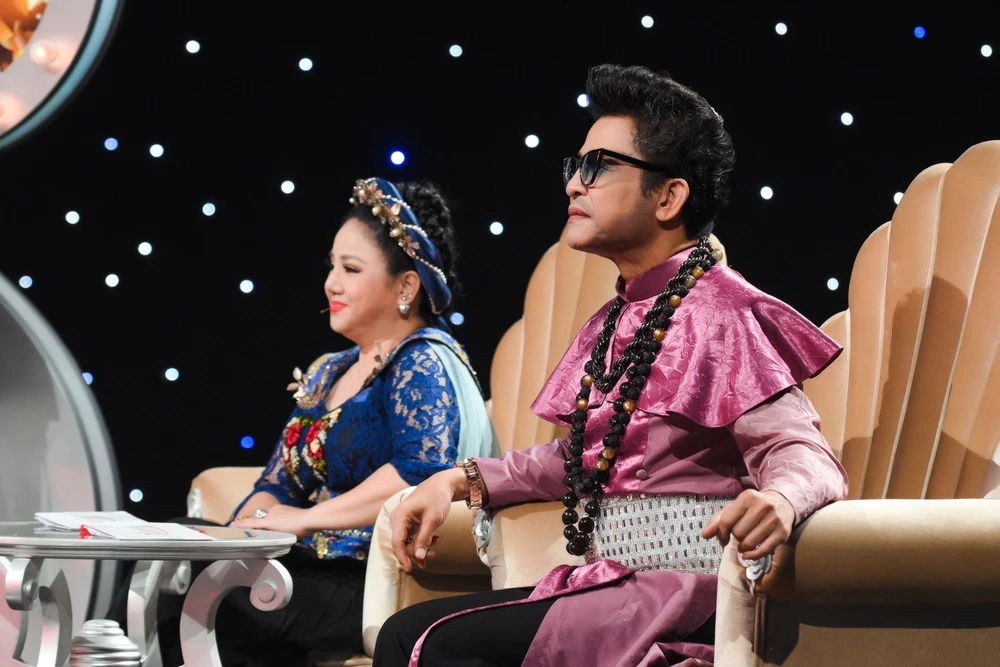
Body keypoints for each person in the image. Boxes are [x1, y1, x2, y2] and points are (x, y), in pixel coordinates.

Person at [371, 65, 849, 667]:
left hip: (686, 599)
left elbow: (802, 452)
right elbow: (581, 460)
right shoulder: (620, 316)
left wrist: (780, 498)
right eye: (575, 167)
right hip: (610, 585)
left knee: (423, 644)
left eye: (597, 166)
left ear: (669, 197)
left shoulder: (724, 311)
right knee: (405, 633)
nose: (574, 185)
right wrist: (457, 481)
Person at [109, 177, 499, 667]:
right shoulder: (329, 370)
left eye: (350, 269)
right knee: (170, 547)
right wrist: (237, 534)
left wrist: (305, 521)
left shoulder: (422, 361)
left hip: (373, 581)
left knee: (206, 590)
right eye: (332, 266)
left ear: (406, 285)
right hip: (311, 566)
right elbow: (279, 484)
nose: (331, 283)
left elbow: (418, 474)